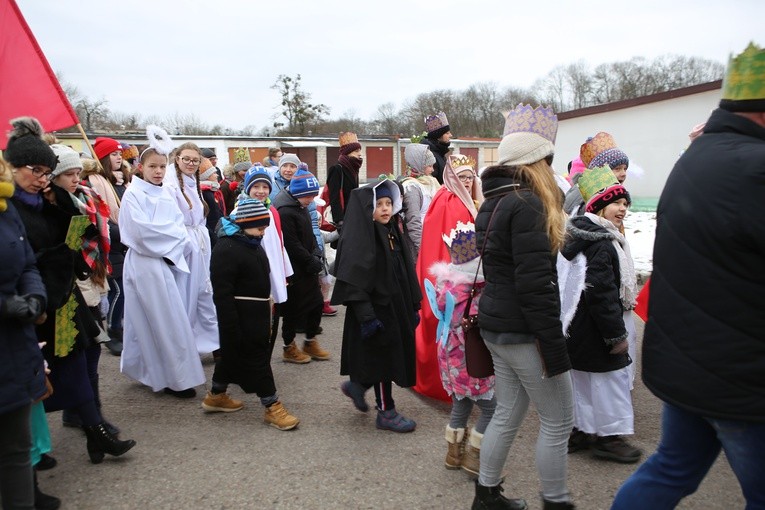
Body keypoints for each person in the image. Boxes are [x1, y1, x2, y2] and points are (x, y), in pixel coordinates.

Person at [611, 42, 765, 510]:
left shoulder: (695, 158)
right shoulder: (754, 168)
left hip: (688, 360)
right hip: (742, 376)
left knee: (671, 468)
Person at [7, 117, 136, 464]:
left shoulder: (51, 202)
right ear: (13, 168)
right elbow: (28, 256)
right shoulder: (11, 209)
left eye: (46, 171)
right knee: (36, 378)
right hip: (33, 308)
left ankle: (96, 432)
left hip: (63, 301)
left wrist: (63, 203)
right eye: (35, 170)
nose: (41, 178)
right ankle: (34, 451)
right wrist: (59, 257)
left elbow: (75, 238)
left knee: (77, 363)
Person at [473, 104, 574, 510]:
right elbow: (536, 285)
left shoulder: (493, 201)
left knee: (508, 413)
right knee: (558, 419)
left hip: (497, 324)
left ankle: (486, 496)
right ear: (538, 160)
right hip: (523, 329)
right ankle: (556, 502)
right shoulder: (529, 203)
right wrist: (552, 344)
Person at [558, 165, 641, 464]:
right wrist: (616, 335)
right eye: (617, 203)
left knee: (582, 379)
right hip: (596, 327)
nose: (623, 210)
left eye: (625, 204)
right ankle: (609, 438)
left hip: (576, 326)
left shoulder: (581, 235)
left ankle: (581, 430)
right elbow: (601, 292)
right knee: (610, 382)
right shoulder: (602, 244)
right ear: (599, 206)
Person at [120, 134, 205, 399]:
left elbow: (179, 228)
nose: (158, 171)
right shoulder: (133, 195)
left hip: (170, 262)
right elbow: (140, 233)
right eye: (152, 166)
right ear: (140, 168)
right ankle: (168, 377)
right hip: (146, 265)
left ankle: (170, 373)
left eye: (162, 167)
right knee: (156, 321)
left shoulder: (165, 194)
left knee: (171, 319)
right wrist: (171, 239)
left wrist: (173, 241)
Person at [332, 179, 421, 432]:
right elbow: (354, 282)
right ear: (367, 208)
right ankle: (386, 411)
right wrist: (367, 317)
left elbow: (406, 271)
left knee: (383, 357)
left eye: (388, 203)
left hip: (395, 307)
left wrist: (414, 305)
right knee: (383, 362)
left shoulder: (393, 231)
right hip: (375, 312)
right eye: (378, 204)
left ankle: (357, 386)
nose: (384, 208)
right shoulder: (361, 239)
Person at [204, 198, 300, 430]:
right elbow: (222, 295)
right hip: (240, 316)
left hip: (256, 313)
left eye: (265, 228)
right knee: (258, 360)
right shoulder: (226, 250)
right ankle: (272, 406)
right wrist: (230, 327)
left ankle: (216, 395)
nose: (263, 232)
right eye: (260, 227)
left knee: (231, 355)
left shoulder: (250, 243)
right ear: (244, 223)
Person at [49, 145, 121, 436]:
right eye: (68, 173)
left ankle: (86, 412)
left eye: (78, 172)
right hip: (66, 293)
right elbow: (66, 247)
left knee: (90, 354)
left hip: (90, 282)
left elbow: (95, 239)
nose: (76, 178)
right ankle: (89, 416)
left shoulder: (84, 199)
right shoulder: (55, 207)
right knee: (73, 356)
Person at [0, 154, 56, 509]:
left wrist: (35, 295)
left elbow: (26, 261)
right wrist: (4, 304)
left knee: (16, 449)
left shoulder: (6, 206)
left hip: (13, 344)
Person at [425, 221, 495, 475]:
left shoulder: (447, 285)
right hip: (473, 360)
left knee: (461, 404)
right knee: (492, 408)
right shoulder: (477, 291)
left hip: (450, 360)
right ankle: (476, 456)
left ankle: (453, 454)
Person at [414, 154, 483, 402]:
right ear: (452, 177)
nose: (466, 182)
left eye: (469, 177)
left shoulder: (460, 198)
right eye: (461, 177)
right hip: (450, 274)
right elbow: (451, 242)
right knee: (446, 326)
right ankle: (444, 384)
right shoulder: (449, 200)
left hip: (453, 271)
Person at [164, 142, 219, 360]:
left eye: (195, 160)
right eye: (186, 159)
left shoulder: (192, 182)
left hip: (199, 245)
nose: (190, 163)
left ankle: (213, 342)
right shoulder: (170, 185)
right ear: (177, 159)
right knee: (186, 296)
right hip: (185, 246)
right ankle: (185, 347)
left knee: (205, 294)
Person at [272, 168, 330, 363]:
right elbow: (291, 243)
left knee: (315, 304)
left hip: (307, 265)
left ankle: (310, 341)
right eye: (309, 196)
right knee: (292, 310)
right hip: (294, 269)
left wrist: (316, 253)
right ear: (298, 193)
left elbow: (309, 235)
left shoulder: (301, 206)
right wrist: (309, 260)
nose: (312, 200)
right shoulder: (286, 211)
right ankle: (289, 347)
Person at [83, 138, 128, 356]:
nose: (119, 157)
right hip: (109, 243)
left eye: (120, 153)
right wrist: (124, 233)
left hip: (123, 243)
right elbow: (101, 215)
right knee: (117, 290)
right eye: (113, 154)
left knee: (123, 289)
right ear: (102, 157)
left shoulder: (119, 181)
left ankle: (118, 327)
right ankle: (111, 330)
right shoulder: (95, 181)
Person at [563, 132, 629, 216]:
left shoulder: (606, 195)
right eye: (617, 169)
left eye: (625, 169)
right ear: (600, 170)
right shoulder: (592, 201)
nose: (623, 174)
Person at [398, 143, 441, 260]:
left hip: (432, 241)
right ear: (419, 165)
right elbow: (413, 220)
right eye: (429, 166)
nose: (432, 169)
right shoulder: (411, 187)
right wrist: (422, 250)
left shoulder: (429, 182)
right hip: (419, 248)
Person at [326, 131, 362, 230]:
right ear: (347, 152)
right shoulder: (337, 169)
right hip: (344, 219)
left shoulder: (354, 168)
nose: (360, 154)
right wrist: (339, 221)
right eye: (356, 151)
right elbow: (334, 197)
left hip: (353, 215)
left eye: (359, 150)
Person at [199, 157, 226, 247]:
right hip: (214, 236)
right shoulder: (206, 193)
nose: (217, 175)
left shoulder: (212, 191)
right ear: (206, 176)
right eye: (214, 173)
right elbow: (210, 218)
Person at [421, 112, 453, 184]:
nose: (450, 135)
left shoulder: (440, 152)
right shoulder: (430, 155)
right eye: (447, 133)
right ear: (438, 136)